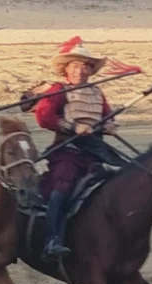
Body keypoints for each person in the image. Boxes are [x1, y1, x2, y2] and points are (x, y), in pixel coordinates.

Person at [33, 40, 126, 259]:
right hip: (68, 150)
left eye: (86, 66)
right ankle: (52, 239)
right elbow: (44, 116)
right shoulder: (58, 89)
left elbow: (105, 117)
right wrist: (74, 126)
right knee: (62, 187)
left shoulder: (97, 93)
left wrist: (109, 126)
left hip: (94, 152)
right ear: (66, 68)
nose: (81, 71)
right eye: (75, 66)